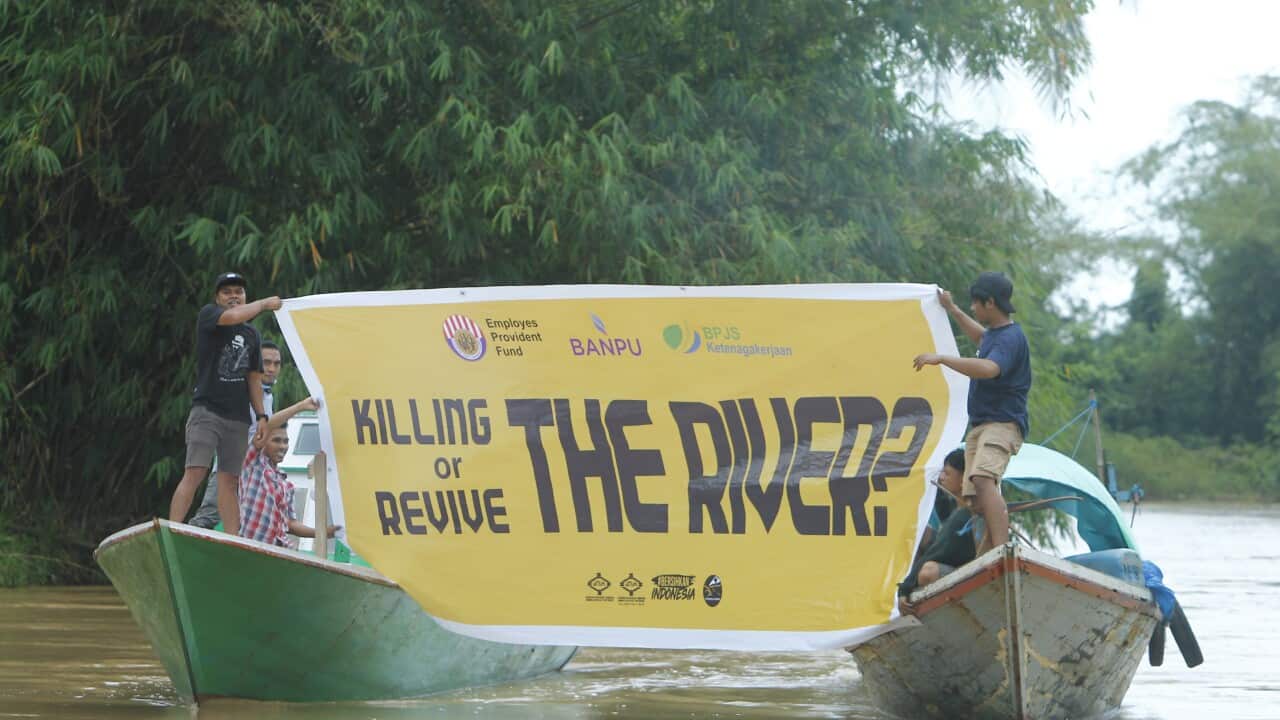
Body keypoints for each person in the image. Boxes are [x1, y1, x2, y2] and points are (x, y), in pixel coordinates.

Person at [912, 271, 1031, 554]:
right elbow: (981, 337)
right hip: (981, 424)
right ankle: (985, 556)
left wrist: (943, 359)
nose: (973, 308)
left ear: (990, 303)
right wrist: (952, 309)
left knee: (983, 479)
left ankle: (1002, 549)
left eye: (976, 303)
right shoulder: (995, 336)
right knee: (973, 498)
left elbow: (989, 368)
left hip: (1002, 423)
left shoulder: (1011, 338)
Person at [169, 272, 282, 535]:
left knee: (230, 481)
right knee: (195, 471)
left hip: (238, 418)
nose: (234, 296)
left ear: (245, 296)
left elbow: (253, 378)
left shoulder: (252, 334)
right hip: (207, 410)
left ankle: (233, 540)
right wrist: (264, 304)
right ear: (217, 297)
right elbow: (232, 317)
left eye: (239, 292)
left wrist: (262, 416)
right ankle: (172, 530)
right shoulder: (210, 315)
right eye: (227, 292)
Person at [190, 341, 283, 530]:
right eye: (266, 362)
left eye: (276, 364)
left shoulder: (268, 396)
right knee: (207, 518)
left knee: (247, 524)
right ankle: (180, 546)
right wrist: (300, 407)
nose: (272, 369)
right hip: (230, 468)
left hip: (251, 473)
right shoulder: (241, 390)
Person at [239, 398, 339, 548]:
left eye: (285, 441)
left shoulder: (286, 484)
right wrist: (300, 407)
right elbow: (267, 425)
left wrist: (324, 532)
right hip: (250, 546)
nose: (283, 446)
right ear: (263, 441)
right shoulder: (253, 465)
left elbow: (290, 524)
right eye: (276, 440)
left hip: (277, 549)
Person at [898, 448, 975, 615]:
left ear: (963, 478)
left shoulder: (964, 514)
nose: (941, 477)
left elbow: (937, 552)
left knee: (928, 570)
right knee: (920, 533)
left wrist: (905, 588)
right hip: (952, 562)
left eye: (947, 473)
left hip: (966, 575)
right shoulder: (956, 508)